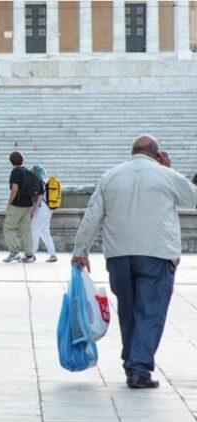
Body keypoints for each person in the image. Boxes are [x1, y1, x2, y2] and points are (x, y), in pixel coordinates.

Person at [72, 134, 197, 389]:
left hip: (119, 255)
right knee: (150, 312)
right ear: (157, 154)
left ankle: (132, 363)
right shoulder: (166, 175)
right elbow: (193, 198)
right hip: (157, 254)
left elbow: (92, 215)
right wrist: (169, 169)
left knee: (128, 311)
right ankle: (138, 368)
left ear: (133, 151)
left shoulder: (111, 176)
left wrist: (80, 250)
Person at [3, 151, 37, 263]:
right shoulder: (27, 171)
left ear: (11, 161)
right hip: (28, 204)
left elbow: (15, 189)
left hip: (17, 204)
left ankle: (14, 252)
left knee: (8, 227)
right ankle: (29, 255)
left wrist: (10, 202)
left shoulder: (16, 171)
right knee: (26, 230)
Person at [30, 165, 57, 263]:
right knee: (45, 233)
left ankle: (31, 254)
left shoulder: (38, 182)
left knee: (34, 231)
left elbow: (39, 198)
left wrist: (33, 210)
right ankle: (53, 254)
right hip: (48, 209)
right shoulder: (46, 182)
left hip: (41, 210)